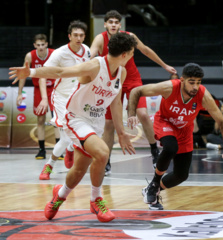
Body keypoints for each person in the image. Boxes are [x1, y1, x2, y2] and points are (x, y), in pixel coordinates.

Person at [10, 32, 137, 223]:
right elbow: (60, 72)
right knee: (102, 153)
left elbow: (116, 103)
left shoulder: (122, 72)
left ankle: (59, 195)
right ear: (125, 54)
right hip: (76, 118)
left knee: (78, 170)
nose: (133, 56)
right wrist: (32, 73)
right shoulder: (95, 66)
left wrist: (122, 132)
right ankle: (96, 199)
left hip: (96, 122)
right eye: (133, 53)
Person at [127, 63, 223, 210]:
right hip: (165, 122)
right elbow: (136, 91)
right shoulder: (169, 87)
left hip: (185, 129)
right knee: (170, 147)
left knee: (181, 175)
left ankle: (151, 190)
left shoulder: (203, 96)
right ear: (182, 80)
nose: (195, 87)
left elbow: (222, 121)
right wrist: (131, 114)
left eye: (198, 83)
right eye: (191, 82)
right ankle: (155, 182)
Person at [90, 10, 177, 174]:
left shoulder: (129, 36)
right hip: (112, 81)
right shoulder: (101, 38)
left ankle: (154, 152)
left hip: (132, 80)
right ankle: (106, 160)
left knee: (143, 114)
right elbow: (92, 54)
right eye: (111, 22)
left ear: (120, 25)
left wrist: (164, 65)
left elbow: (145, 50)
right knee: (109, 124)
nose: (114, 24)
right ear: (106, 24)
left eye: (116, 22)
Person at [37, 20, 91, 180]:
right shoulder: (60, 53)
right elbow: (42, 74)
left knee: (80, 134)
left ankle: (70, 148)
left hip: (79, 98)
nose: (78, 38)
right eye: (75, 35)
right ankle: (49, 166)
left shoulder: (87, 50)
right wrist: (44, 99)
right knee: (67, 136)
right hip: (61, 98)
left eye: (81, 35)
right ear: (69, 36)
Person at [16, 34, 60, 159]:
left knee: (56, 119)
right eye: (38, 45)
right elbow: (23, 75)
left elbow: (62, 70)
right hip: (38, 91)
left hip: (53, 88)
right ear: (35, 45)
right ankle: (41, 150)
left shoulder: (54, 53)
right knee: (40, 120)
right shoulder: (30, 56)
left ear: (46, 44)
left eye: (43, 44)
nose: (41, 47)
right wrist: (20, 93)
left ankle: (58, 150)